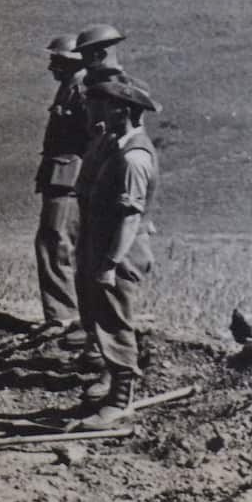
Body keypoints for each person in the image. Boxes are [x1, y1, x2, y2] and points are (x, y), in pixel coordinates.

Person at [74, 80, 161, 430]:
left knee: (114, 323)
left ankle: (120, 403)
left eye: (99, 104)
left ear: (120, 110)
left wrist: (110, 264)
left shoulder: (134, 158)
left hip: (118, 254)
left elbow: (130, 217)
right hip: (100, 248)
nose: (91, 110)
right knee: (96, 315)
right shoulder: (113, 144)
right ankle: (111, 383)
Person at [34, 36, 90, 336]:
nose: (51, 66)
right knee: (56, 244)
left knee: (55, 243)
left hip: (69, 180)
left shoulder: (79, 90)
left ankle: (64, 316)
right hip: (63, 178)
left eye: (57, 59)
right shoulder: (70, 87)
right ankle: (66, 314)